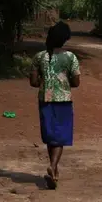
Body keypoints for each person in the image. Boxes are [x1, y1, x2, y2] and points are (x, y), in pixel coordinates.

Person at [30, 21, 81, 190]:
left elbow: (34, 82)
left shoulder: (39, 57)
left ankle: (54, 170)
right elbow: (76, 82)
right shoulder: (70, 57)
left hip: (45, 99)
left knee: (50, 135)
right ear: (65, 39)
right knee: (61, 135)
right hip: (64, 100)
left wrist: (46, 80)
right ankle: (53, 167)